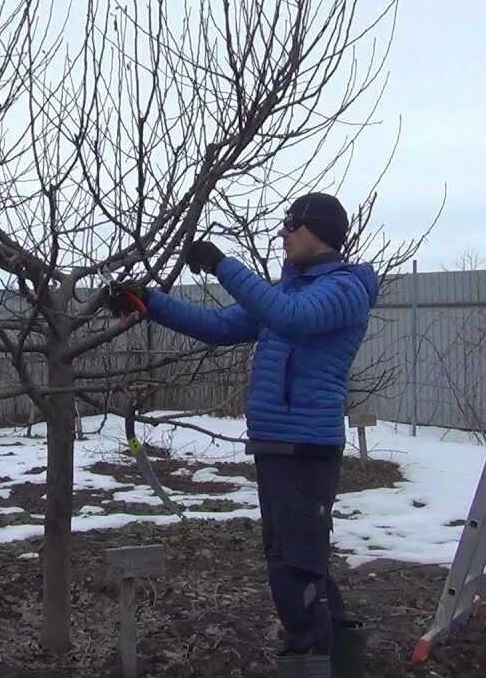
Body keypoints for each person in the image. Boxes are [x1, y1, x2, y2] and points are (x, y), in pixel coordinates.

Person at [102, 192, 379, 678]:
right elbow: (219, 325)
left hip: (306, 448)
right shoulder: (289, 293)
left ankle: (309, 660)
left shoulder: (344, 290)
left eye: (291, 223)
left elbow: (293, 319)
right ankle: (342, 657)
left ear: (320, 230)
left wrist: (222, 265)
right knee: (297, 556)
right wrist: (150, 302)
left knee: (292, 568)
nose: (283, 233)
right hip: (275, 444)